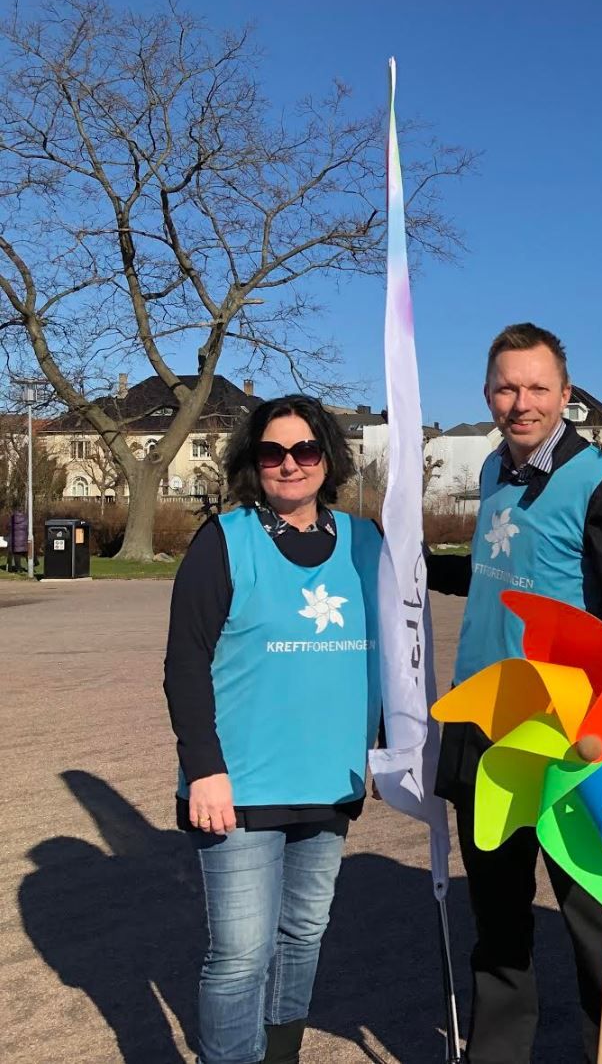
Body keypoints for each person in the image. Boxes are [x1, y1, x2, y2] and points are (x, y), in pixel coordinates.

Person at [425, 322, 602, 1064]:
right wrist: (415, 563)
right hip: (483, 724)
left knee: (595, 920)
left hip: (565, 738)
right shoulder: (494, 467)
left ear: (565, 393)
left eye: (536, 388)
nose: (521, 402)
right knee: (497, 920)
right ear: (487, 392)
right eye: (506, 387)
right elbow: (496, 576)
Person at [163, 394, 382, 1064]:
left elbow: (402, 637)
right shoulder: (224, 540)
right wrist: (205, 768)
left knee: (301, 936)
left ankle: (279, 1054)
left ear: (329, 458)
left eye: (305, 449)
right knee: (240, 953)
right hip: (240, 788)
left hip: (330, 780)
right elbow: (185, 662)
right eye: (272, 452)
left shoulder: (366, 543)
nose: (290, 464)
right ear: (252, 463)